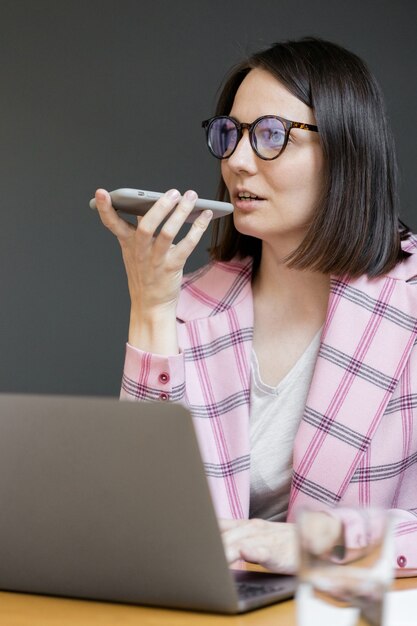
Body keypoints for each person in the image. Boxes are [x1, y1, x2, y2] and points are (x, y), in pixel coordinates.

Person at [94, 37, 417, 577]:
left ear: (347, 148)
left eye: (270, 135)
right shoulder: (191, 303)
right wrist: (151, 307)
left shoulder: (407, 302)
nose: (238, 162)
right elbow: (137, 512)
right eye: (230, 134)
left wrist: (314, 544)